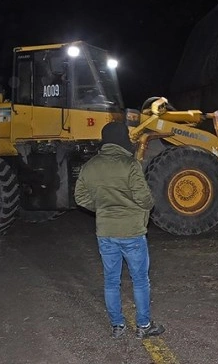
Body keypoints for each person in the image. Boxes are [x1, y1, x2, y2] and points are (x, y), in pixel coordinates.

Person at [74, 121, 165, 339]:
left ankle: (117, 325)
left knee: (111, 280)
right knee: (140, 280)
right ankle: (143, 326)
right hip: (132, 231)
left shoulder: (90, 166)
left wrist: (103, 208)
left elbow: (80, 197)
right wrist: (141, 206)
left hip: (105, 232)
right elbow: (144, 199)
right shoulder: (130, 164)